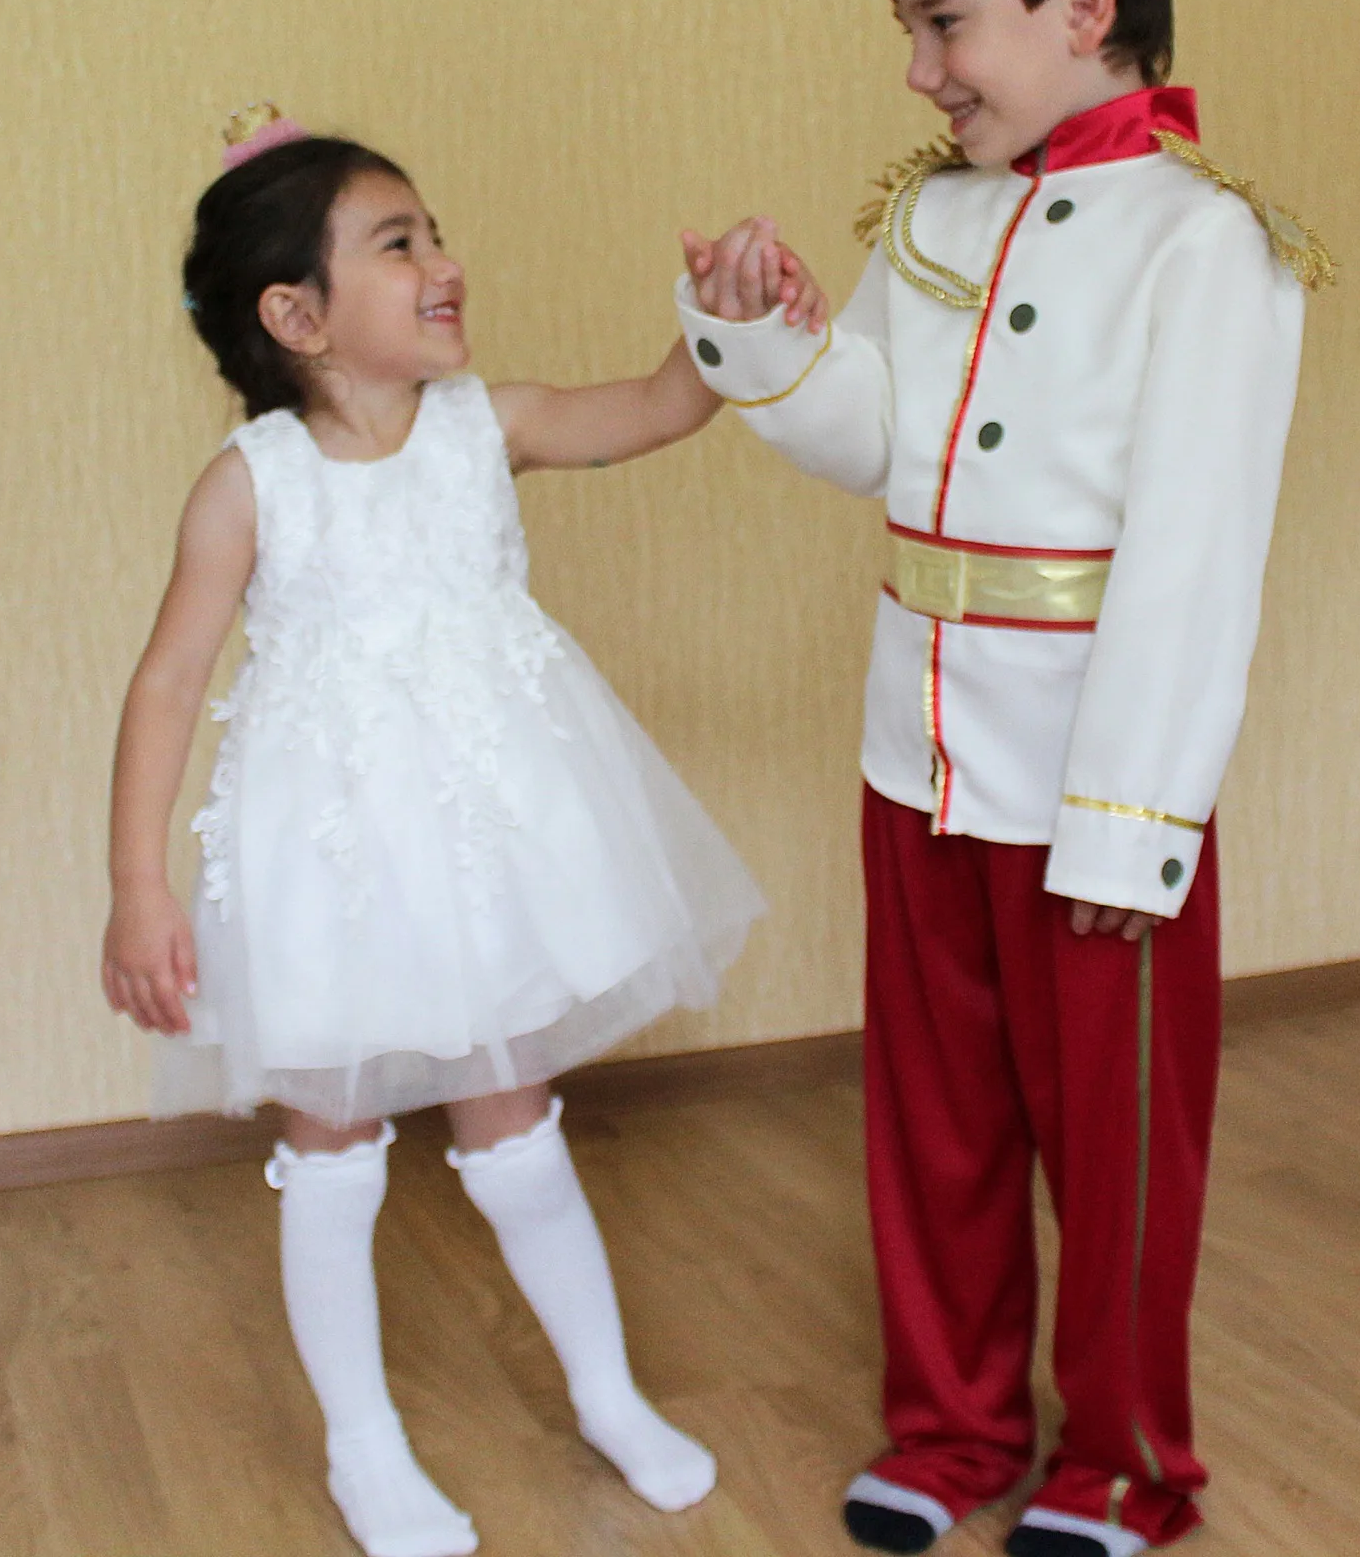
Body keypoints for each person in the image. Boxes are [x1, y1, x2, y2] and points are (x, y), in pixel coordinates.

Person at [676, 0, 1331, 1557]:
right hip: (922, 755)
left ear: (1081, 1)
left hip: (1095, 789)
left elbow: (1196, 564)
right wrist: (760, 337)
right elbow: (874, 442)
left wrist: (1133, 821)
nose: (920, 73)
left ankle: (1127, 1464)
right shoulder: (938, 219)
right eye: (912, 29)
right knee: (938, 1121)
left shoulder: (1210, 244)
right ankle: (952, 1431)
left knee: (1115, 1151)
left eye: (942, 21)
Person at [101, 105, 826, 1557]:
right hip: (336, 859)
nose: (445, 262)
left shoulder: (488, 425)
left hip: (490, 844)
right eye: (399, 243)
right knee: (334, 1142)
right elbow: (168, 681)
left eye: (434, 233)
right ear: (297, 316)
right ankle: (364, 1449)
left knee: (513, 1120)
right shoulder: (253, 485)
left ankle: (607, 1394)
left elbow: (655, 407)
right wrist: (138, 887)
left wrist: (725, 319)